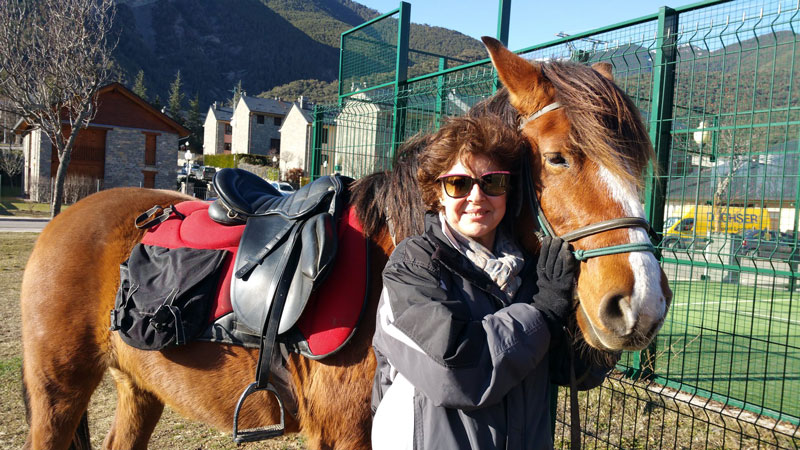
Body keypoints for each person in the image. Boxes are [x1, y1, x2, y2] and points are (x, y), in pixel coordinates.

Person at [370, 114, 613, 449]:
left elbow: (572, 371)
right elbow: (456, 374)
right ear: (437, 193)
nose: (476, 197)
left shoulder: (531, 272)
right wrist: (542, 314)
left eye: (493, 182)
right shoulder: (413, 267)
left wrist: (604, 310)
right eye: (458, 183)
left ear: (507, 191)